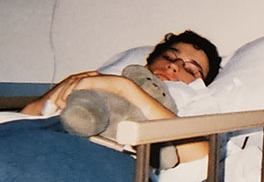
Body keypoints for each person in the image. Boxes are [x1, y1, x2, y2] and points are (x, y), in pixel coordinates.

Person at [20, 30, 221, 164]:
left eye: (190, 69)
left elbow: (203, 157)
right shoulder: (99, 80)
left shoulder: (190, 103)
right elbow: (27, 116)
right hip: (39, 143)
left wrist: (124, 88)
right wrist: (68, 83)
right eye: (169, 57)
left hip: (100, 161)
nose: (174, 66)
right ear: (149, 61)